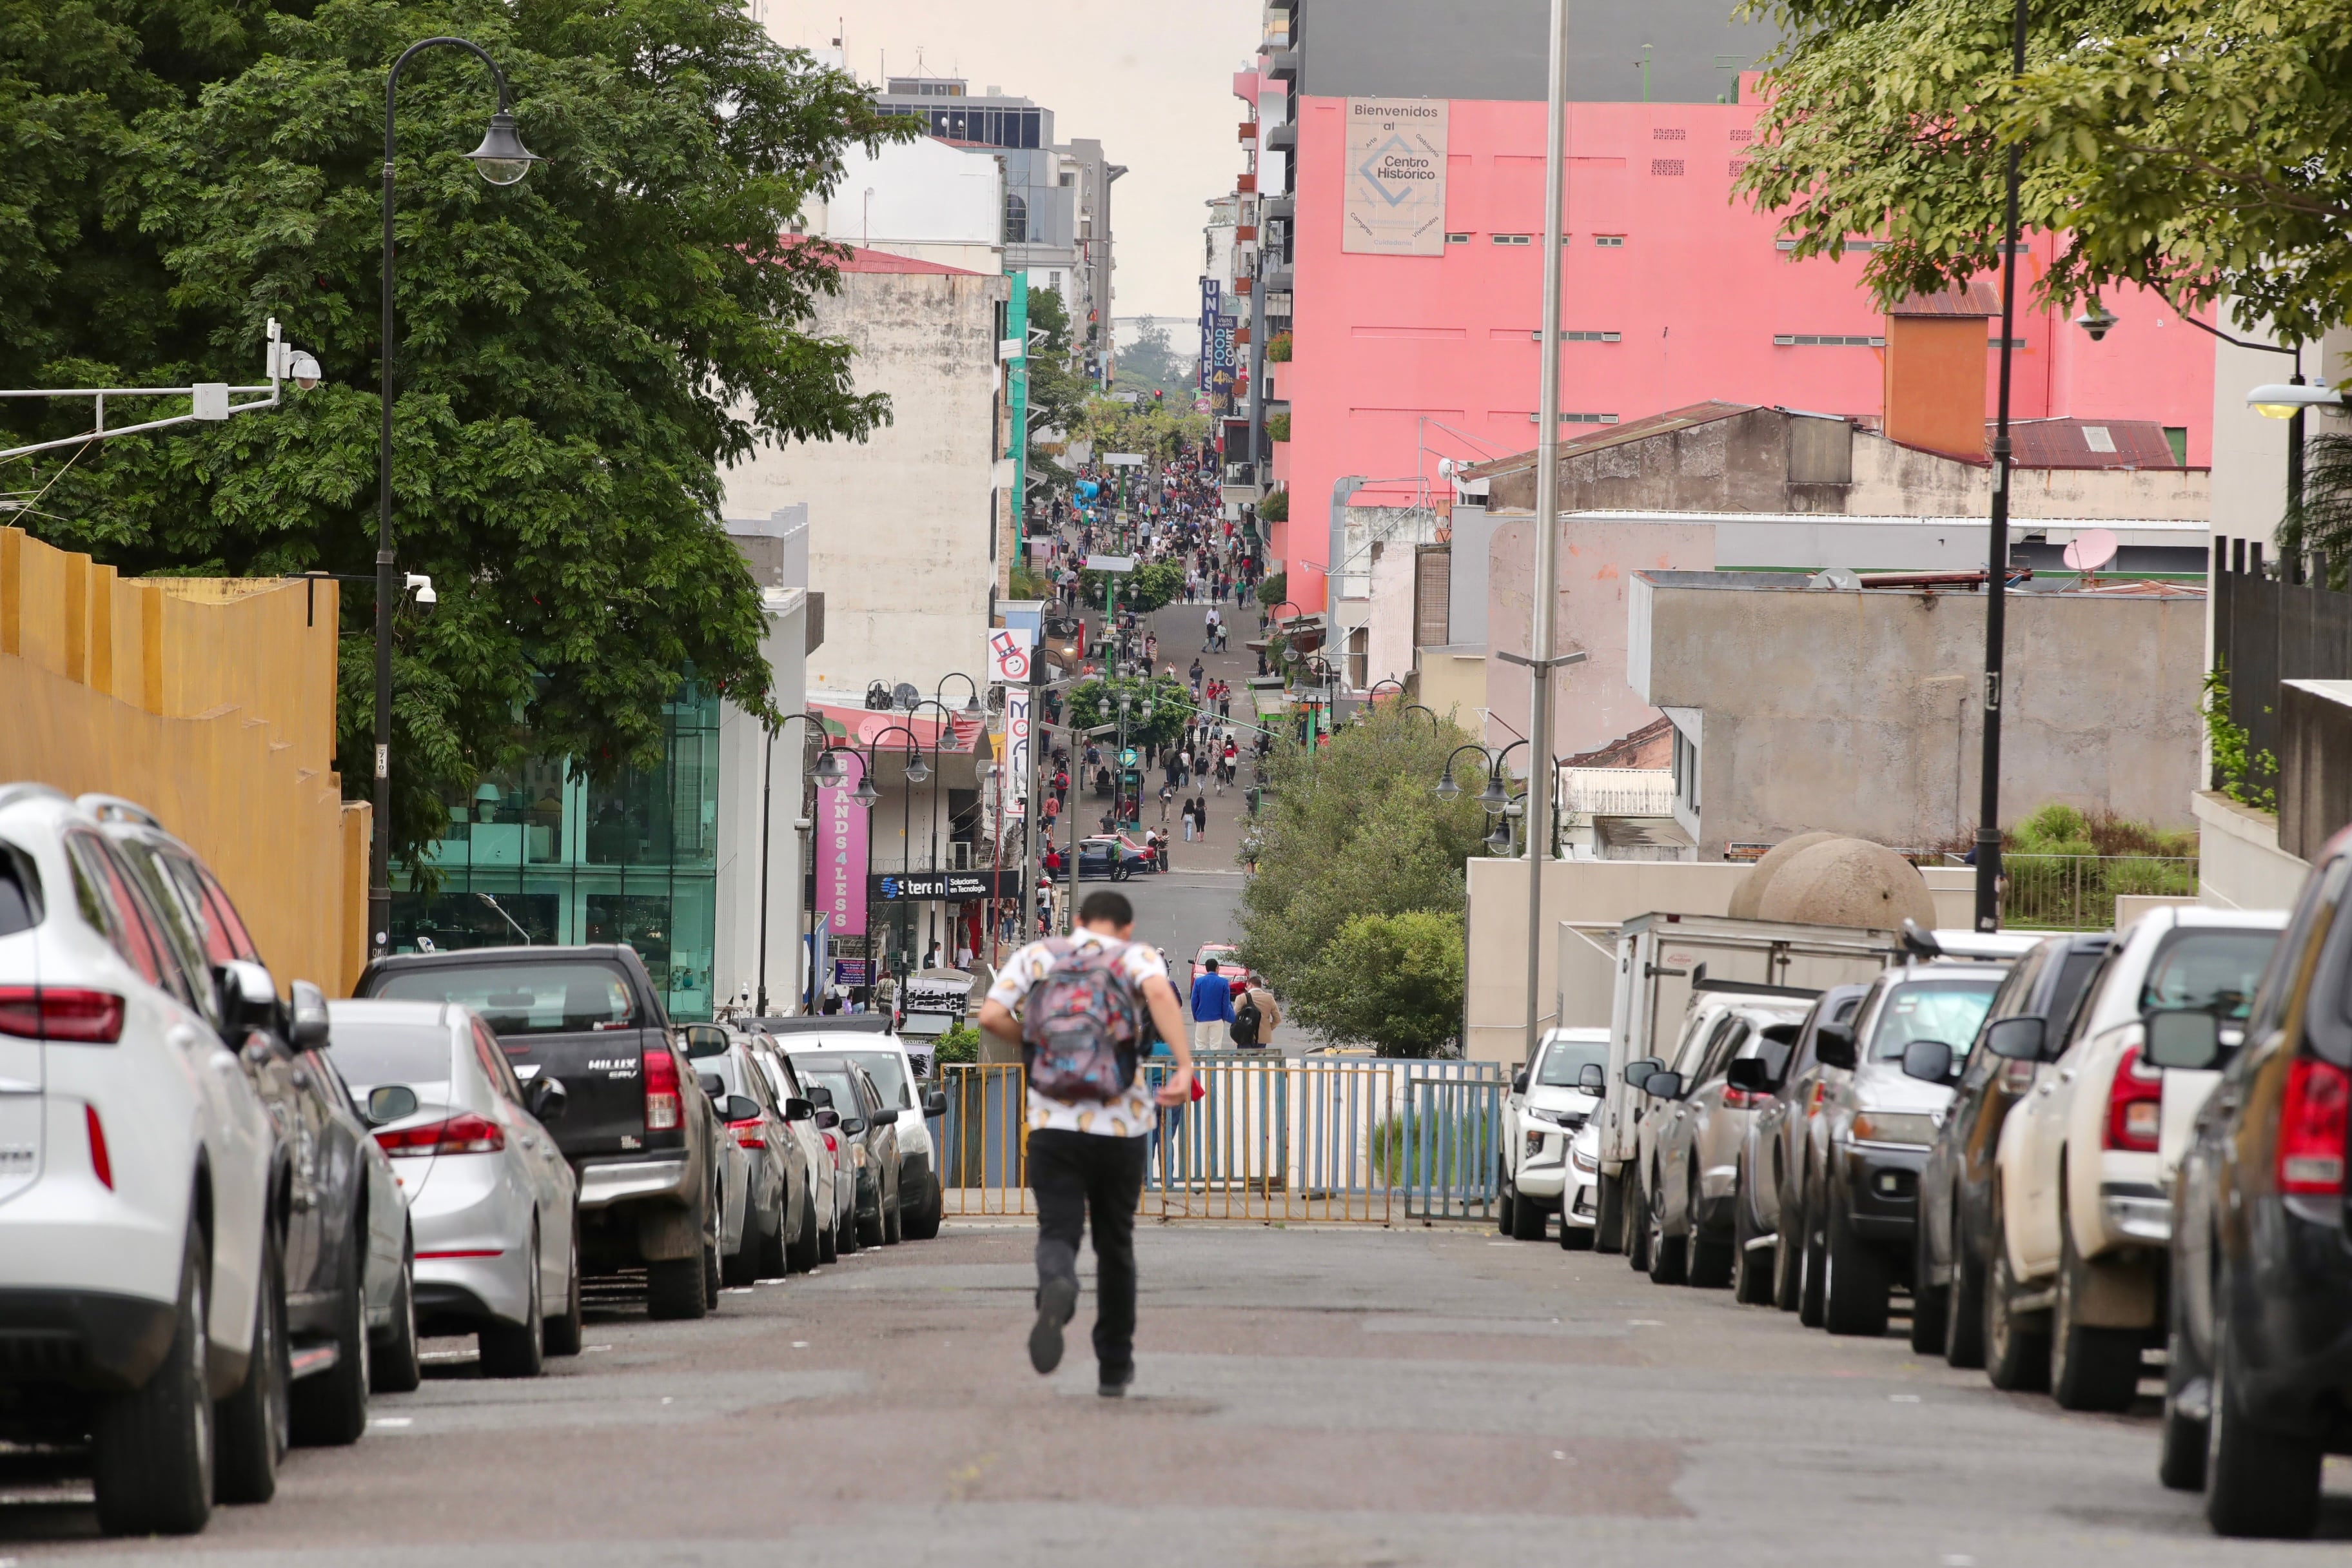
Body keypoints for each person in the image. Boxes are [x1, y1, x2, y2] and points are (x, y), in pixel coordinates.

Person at [977, 888, 1191, 1400]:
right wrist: (1184, 1066)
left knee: (1058, 1230)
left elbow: (989, 1016)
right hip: (1122, 1126)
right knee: (1116, 1245)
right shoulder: (1134, 956)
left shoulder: (1038, 955)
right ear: (1126, 927)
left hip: (1052, 1123)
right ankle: (1114, 1367)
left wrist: (1037, 1041)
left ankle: (1060, 1286)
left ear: (1076, 922)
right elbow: (1160, 995)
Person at [1188, 957, 1234, 1053]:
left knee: (1200, 1045)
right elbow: (1225, 1003)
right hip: (1217, 1019)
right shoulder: (1224, 983)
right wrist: (1224, 1017)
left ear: (1206, 968)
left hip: (1202, 1017)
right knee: (1216, 1046)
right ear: (1217, 968)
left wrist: (1196, 1016)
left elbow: (1194, 1001)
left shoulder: (1198, 981)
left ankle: (1200, 1067)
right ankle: (1214, 1067)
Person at [1230, 981, 1281, 1050]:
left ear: (1251, 985)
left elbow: (1233, 1017)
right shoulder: (1269, 998)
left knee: (1244, 1059)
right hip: (1262, 1037)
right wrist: (1268, 1028)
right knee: (1258, 1060)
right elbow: (1278, 1019)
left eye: (1247, 986)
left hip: (1243, 1035)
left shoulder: (1242, 997)